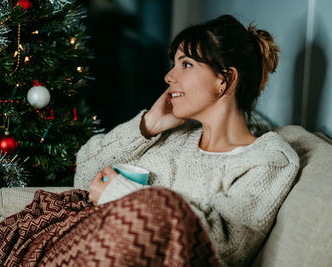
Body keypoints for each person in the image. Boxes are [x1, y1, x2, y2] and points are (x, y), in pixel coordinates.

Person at [75, 14, 300, 266]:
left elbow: (225, 247)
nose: (169, 77)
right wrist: (148, 125)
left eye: (186, 64)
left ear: (224, 80)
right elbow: (84, 174)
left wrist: (122, 195)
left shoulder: (268, 160)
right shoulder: (175, 136)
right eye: (174, 64)